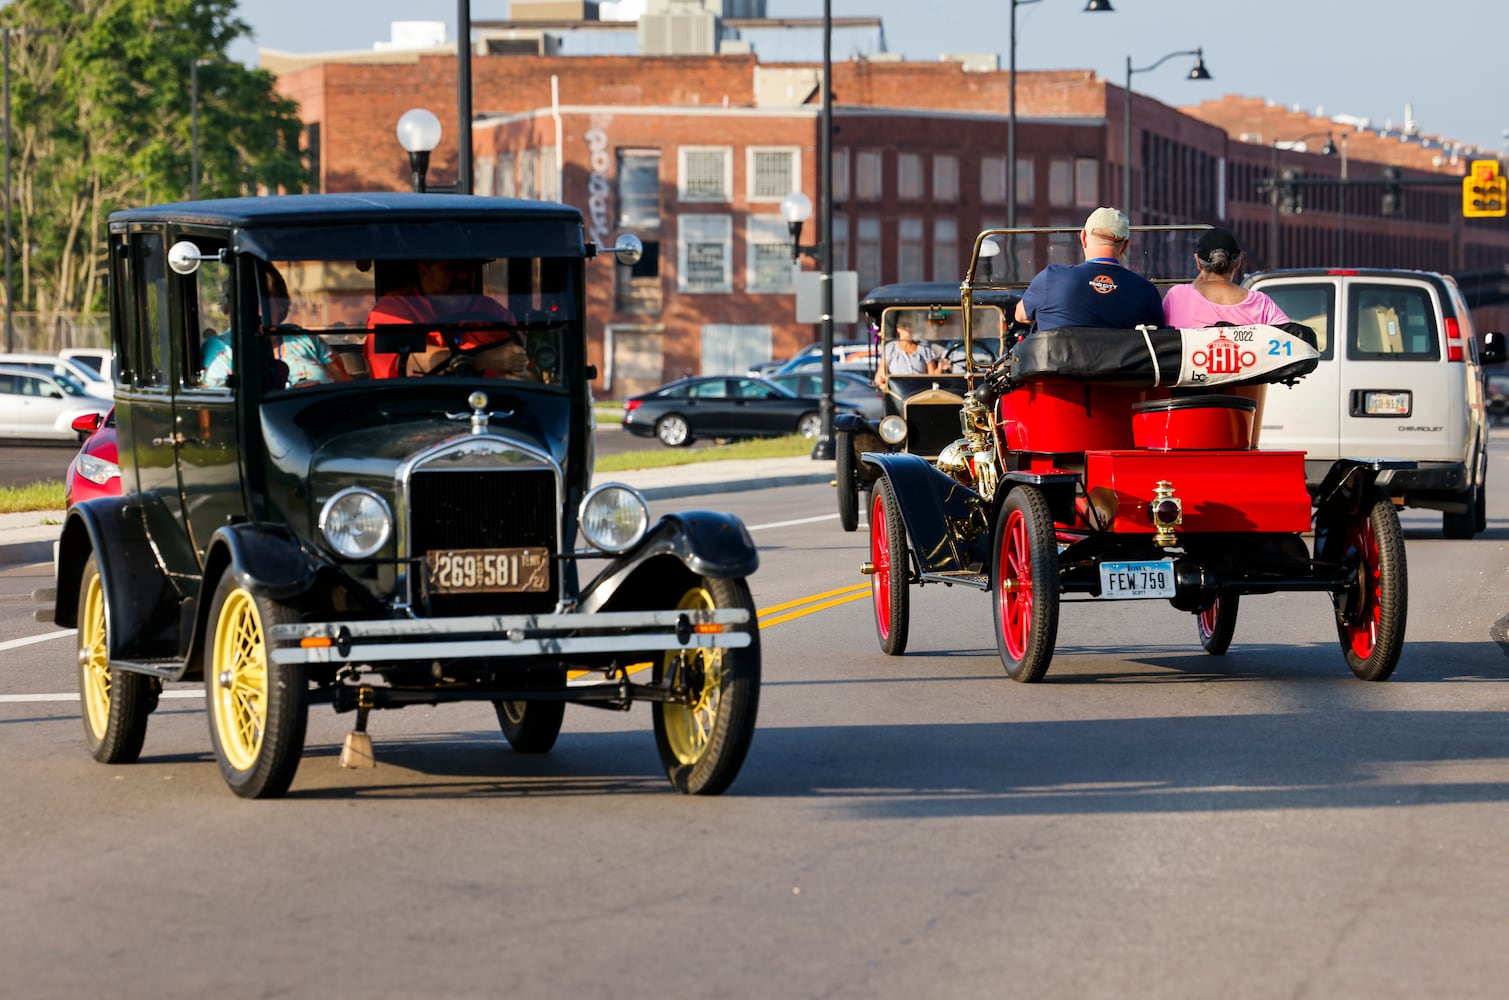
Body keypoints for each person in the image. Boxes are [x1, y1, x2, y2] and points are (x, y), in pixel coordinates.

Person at [364, 258, 525, 378]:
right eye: (451, 267)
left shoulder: (494, 312)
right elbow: (408, 362)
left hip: (491, 410)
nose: (462, 275)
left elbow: (526, 366)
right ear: (424, 271)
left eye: (468, 268)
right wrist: (486, 360)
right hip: (410, 413)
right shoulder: (393, 310)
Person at [1014, 207, 1164, 332]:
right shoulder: (1146, 291)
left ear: (1083, 237)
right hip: (1120, 368)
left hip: (1061, 367)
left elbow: (1020, 315)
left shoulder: (1051, 278)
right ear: (1125, 246)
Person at [203, 264, 351, 387]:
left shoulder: (306, 338)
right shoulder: (218, 349)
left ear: (280, 305)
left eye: (263, 303)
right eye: (244, 305)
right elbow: (221, 404)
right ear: (229, 309)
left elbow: (345, 385)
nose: (255, 313)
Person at [1162, 227, 1290, 327]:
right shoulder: (1261, 303)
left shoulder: (1177, 295)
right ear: (1238, 262)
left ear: (1198, 262)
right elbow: (1290, 337)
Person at [877, 313, 950, 386]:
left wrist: (940, 367)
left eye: (911, 326)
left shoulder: (924, 348)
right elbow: (880, 375)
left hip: (921, 391)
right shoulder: (890, 348)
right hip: (898, 392)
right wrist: (881, 380)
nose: (908, 329)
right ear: (898, 328)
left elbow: (933, 377)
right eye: (904, 326)